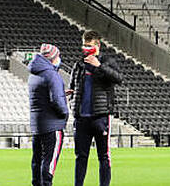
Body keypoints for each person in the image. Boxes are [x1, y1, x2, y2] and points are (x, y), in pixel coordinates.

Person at [70, 30, 123, 186]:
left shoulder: (107, 61)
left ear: (97, 45)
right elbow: (73, 85)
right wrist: (72, 93)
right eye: (84, 45)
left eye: (89, 45)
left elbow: (118, 78)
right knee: (80, 156)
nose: (86, 48)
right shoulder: (79, 64)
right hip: (81, 118)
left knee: (104, 156)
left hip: (100, 117)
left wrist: (99, 66)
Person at [29, 44, 68, 186]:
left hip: (37, 125)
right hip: (52, 125)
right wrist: (65, 113)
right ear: (52, 58)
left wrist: (62, 93)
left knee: (37, 159)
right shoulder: (52, 75)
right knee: (49, 161)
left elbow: (43, 97)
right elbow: (56, 101)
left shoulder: (34, 75)